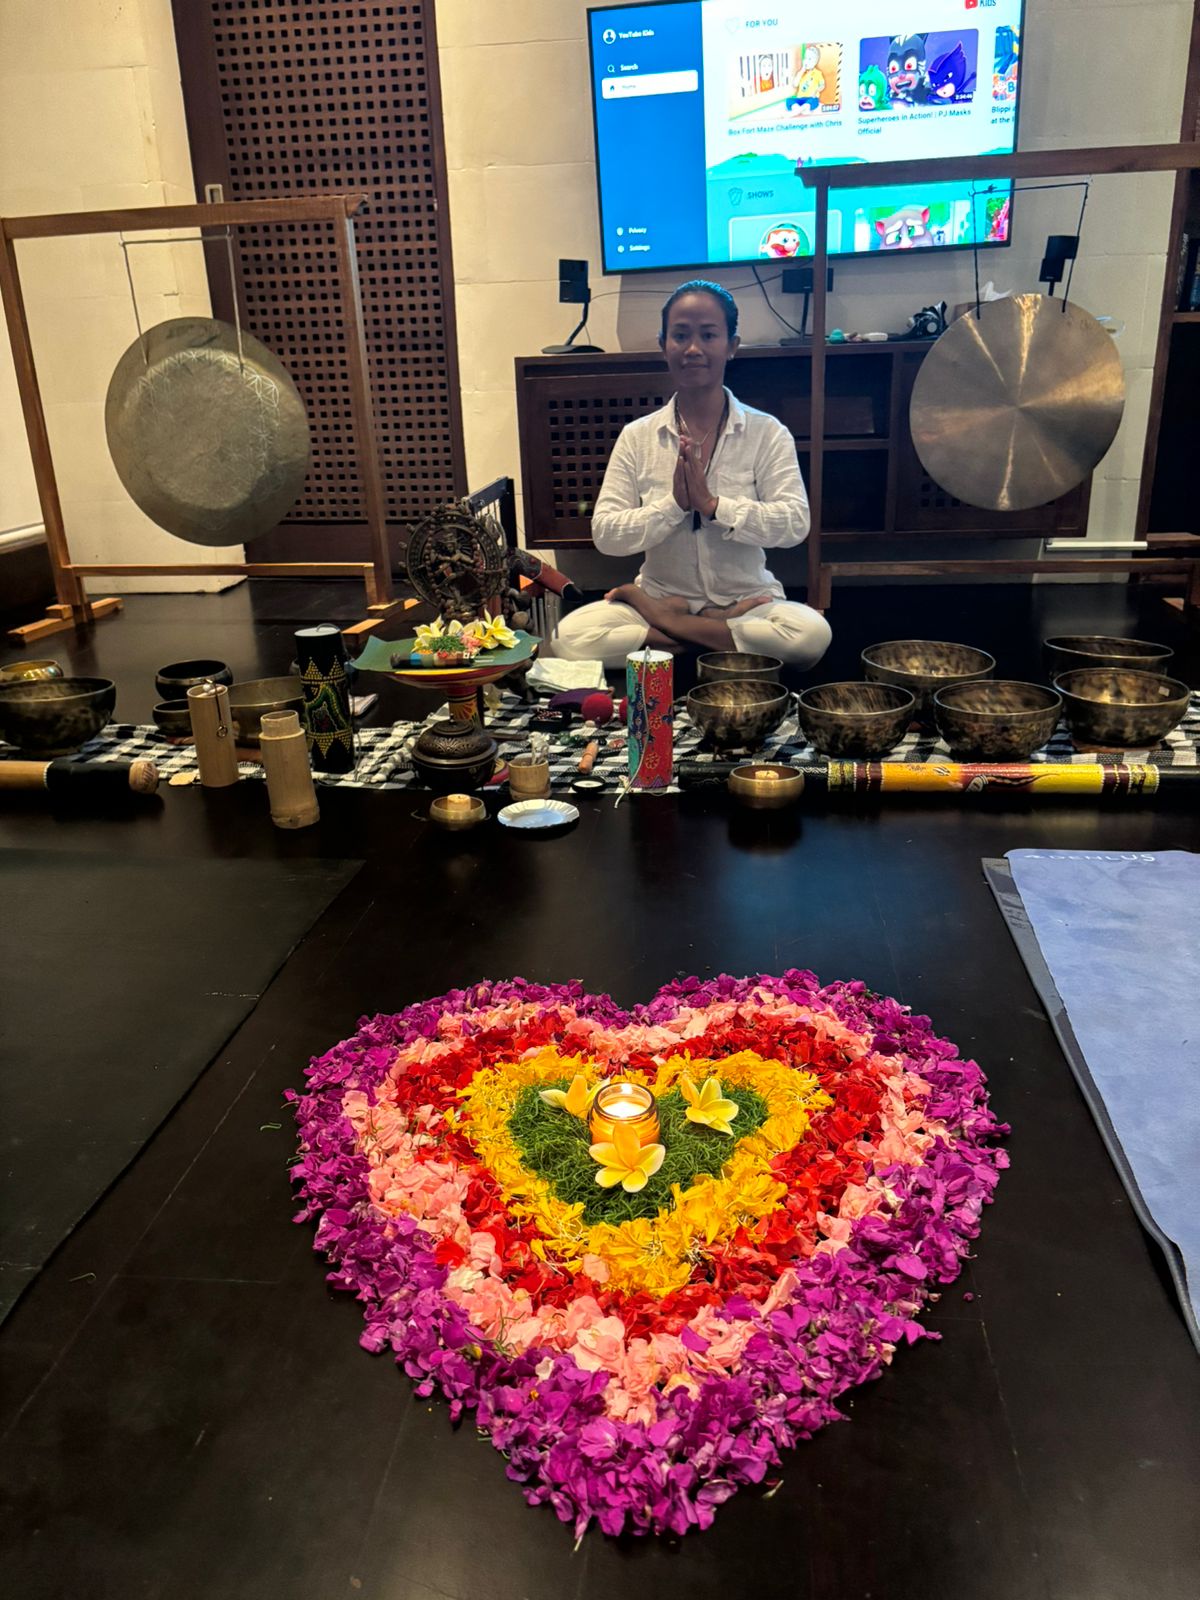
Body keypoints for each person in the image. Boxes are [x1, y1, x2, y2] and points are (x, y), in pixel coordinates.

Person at [553, 280, 832, 671]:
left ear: (731, 346)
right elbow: (606, 533)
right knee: (569, 637)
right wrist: (673, 507)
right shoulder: (637, 437)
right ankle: (714, 631)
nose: (693, 349)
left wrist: (714, 506)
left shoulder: (767, 432)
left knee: (810, 635)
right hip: (662, 594)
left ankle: (672, 627)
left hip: (748, 601)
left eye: (709, 335)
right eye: (681, 335)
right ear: (663, 345)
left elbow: (794, 524)